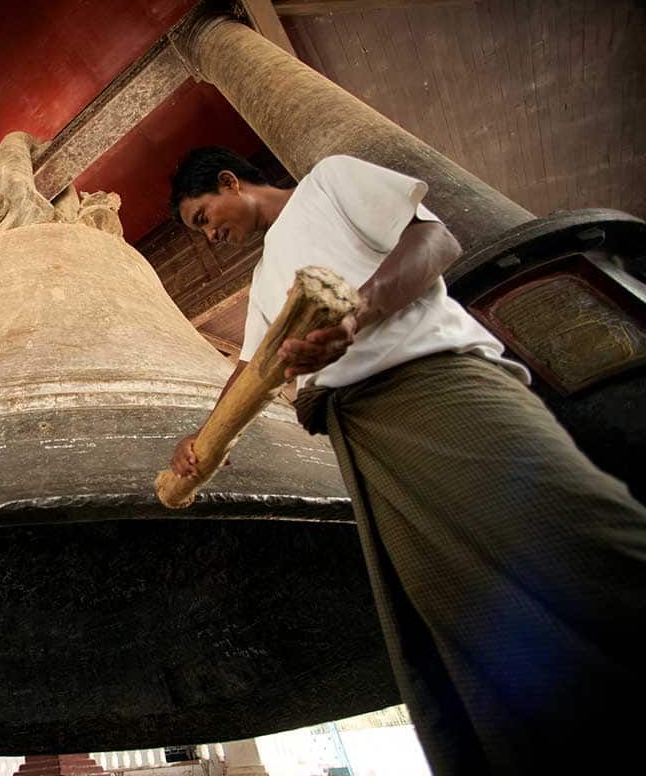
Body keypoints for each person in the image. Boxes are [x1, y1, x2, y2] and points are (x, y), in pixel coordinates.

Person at [166, 147, 646, 774]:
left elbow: (434, 240)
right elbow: (254, 369)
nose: (210, 236)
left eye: (204, 217)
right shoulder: (264, 283)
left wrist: (357, 313)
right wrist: (205, 438)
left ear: (230, 182)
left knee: (575, 539)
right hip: (362, 436)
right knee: (461, 620)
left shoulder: (328, 182)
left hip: (431, 385)